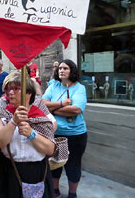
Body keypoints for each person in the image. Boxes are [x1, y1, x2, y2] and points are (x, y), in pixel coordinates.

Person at [0, 71, 57, 198]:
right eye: (8, 89)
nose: (10, 93)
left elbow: (50, 149)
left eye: (16, 89)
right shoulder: (4, 115)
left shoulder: (40, 117)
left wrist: (31, 134)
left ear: (28, 93)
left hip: (37, 171)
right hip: (9, 170)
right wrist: (13, 122)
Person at [42, 59, 87, 198]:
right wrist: (61, 103)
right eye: (60, 68)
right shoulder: (53, 85)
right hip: (54, 132)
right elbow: (43, 103)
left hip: (75, 134)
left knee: (73, 165)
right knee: (55, 163)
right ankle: (55, 190)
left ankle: (72, 194)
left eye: (65, 68)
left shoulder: (79, 88)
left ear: (72, 71)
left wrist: (53, 109)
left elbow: (76, 109)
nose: (61, 70)